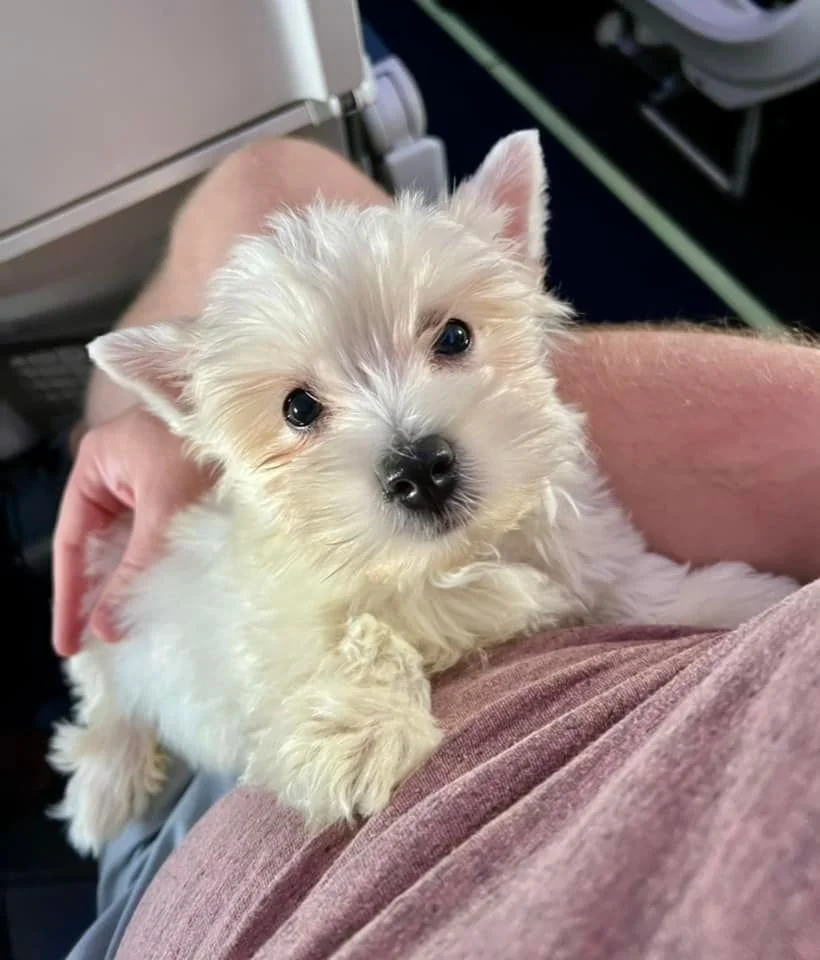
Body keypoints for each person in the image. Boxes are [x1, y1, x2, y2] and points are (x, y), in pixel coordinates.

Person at [53, 137, 820, 960]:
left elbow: (626, 581)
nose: (410, 447)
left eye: (451, 340)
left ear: (520, 272)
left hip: (201, 864)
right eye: (304, 410)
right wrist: (363, 675)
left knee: (263, 178)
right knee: (111, 622)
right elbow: (309, 711)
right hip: (190, 692)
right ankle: (109, 724)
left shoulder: (562, 504)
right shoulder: (284, 596)